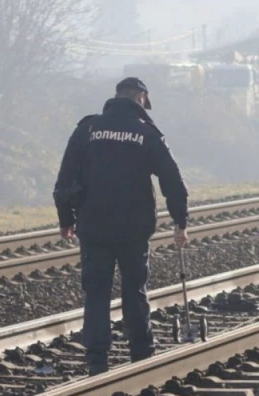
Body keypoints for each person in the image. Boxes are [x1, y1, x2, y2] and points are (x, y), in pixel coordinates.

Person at [52, 77, 189, 376]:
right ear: (141, 97)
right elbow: (172, 180)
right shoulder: (146, 133)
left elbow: (64, 179)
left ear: (116, 97)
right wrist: (180, 221)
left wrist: (66, 219)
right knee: (135, 289)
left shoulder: (87, 130)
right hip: (134, 228)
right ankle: (141, 353)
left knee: (96, 291)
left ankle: (97, 360)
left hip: (94, 226)